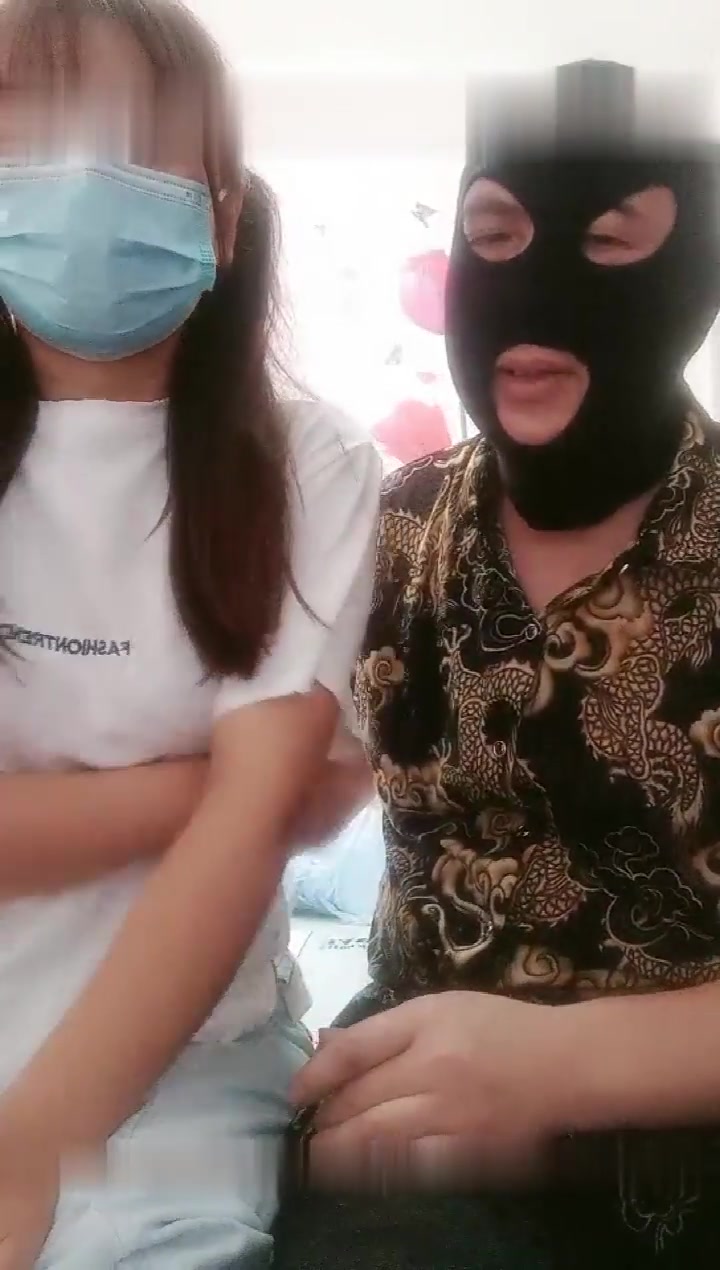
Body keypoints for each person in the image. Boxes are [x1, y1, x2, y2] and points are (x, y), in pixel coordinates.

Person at [272, 64, 720, 1270]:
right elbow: (283, 782)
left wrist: (561, 1063)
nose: (541, 287)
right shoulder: (385, 523)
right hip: (416, 1106)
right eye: (496, 234)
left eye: (609, 243)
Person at [0, 0, 381, 1267]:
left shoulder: (309, 464)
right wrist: (220, 786)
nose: (84, 181)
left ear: (221, 216)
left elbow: (250, 832)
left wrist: (33, 1149)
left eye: (137, 141)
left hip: (194, 1064)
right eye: (35, 139)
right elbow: (262, 802)